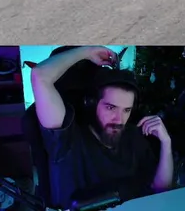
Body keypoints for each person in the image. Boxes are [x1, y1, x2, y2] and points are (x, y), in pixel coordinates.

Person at [29, 46, 174, 205]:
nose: (119, 119)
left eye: (126, 110)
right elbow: (39, 75)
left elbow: (160, 189)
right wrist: (87, 52)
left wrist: (166, 143)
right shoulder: (67, 139)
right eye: (111, 108)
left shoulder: (133, 136)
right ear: (91, 103)